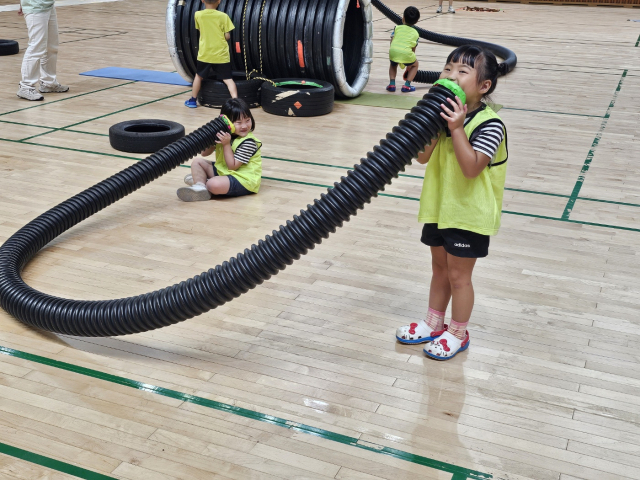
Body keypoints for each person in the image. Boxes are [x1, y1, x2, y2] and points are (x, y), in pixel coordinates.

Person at [395, 45, 509, 360]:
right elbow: (421, 157)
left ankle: (458, 332)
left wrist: (457, 128)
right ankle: (433, 323)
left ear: (483, 86)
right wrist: (431, 120)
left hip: (468, 214)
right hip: (440, 208)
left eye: (463, 71)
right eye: (448, 68)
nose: (452, 75)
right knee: (439, 269)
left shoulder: (490, 124)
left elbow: (472, 168)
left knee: (459, 277)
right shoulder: (442, 116)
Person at [177, 98, 261, 201]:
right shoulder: (225, 134)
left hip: (244, 179)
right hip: (224, 171)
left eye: (247, 120)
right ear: (228, 122)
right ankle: (200, 186)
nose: (244, 126)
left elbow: (232, 166)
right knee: (197, 162)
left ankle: (205, 183)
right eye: (238, 122)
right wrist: (212, 140)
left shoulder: (248, 142)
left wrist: (226, 144)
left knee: (213, 184)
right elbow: (204, 153)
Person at [185, 0, 237, 108]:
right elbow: (227, 36)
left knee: (199, 76)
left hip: (205, 53)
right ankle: (236, 102)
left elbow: (200, 29)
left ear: (202, 0)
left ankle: (193, 101)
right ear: (219, 1)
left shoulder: (198, 14)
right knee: (227, 79)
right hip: (221, 53)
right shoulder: (223, 16)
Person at [17, 0, 69, 101]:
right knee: (36, 47)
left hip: (48, 5)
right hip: (35, 7)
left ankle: (48, 83)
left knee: (51, 47)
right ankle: (26, 86)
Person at [387, 6, 420, 93]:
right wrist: (410, 62)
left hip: (393, 51)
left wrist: (393, 52)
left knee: (393, 64)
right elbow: (413, 48)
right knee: (415, 65)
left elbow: (392, 41)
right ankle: (407, 85)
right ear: (416, 21)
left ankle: (392, 84)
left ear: (403, 18)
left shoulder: (396, 28)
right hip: (406, 53)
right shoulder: (415, 33)